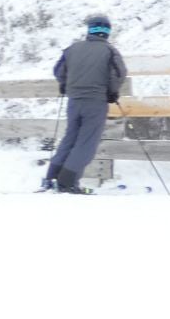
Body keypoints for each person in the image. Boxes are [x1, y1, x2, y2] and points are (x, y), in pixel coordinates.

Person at [43, 13, 128, 194]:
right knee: (86, 143)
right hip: (95, 102)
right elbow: (119, 74)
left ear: (90, 30)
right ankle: (68, 182)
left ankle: (51, 178)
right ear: (106, 32)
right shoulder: (110, 51)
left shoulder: (72, 49)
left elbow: (58, 71)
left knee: (70, 139)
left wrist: (65, 85)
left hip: (74, 102)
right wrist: (112, 93)